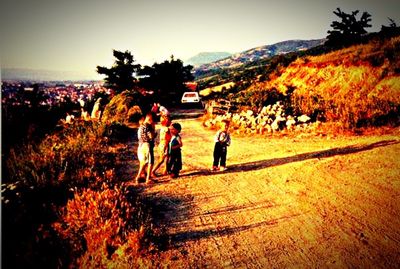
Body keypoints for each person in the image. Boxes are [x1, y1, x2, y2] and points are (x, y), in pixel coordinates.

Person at [135, 113, 156, 184]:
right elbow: (151, 137)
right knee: (150, 162)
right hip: (147, 145)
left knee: (143, 162)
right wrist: (154, 132)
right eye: (153, 120)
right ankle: (148, 179)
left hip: (141, 145)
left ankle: (138, 177)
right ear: (150, 119)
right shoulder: (148, 127)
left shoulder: (141, 127)